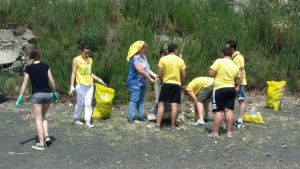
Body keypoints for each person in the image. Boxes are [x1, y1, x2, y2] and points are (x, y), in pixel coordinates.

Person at [16, 49, 58, 150]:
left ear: (31, 56)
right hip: (48, 94)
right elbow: (51, 80)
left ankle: (41, 144)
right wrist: (55, 92)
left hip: (37, 95)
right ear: (40, 56)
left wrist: (20, 96)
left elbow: (25, 83)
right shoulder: (45, 65)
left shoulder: (29, 68)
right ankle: (47, 137)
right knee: (43, 116)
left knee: (38, 119)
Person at [148, 43, 186, 131]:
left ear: (168, 50)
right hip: (176, 84)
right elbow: (184, 75)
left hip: (166, 83)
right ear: (176, 50)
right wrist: (181, 82)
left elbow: (159, 73)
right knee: (174, 105)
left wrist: (161, 80)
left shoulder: (163, 59)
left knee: (161, 104)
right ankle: (172, 126)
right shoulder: (180, 60)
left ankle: (157, 125)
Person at [68, 44, 106, 128]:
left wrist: (99, 80)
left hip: (90, 85)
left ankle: (88, 121)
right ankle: (76, 119)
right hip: (81, 84)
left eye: (89, 52)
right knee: (80, 103)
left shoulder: (90, 60)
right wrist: (71, 85)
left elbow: (90, 73)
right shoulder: (76, 59)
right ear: (81, 51)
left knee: (88, 103)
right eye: (86, 52)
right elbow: (73, 73)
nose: (87, 54)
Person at [207, 47, 240, 138]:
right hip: (231, 88)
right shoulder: (235, 65)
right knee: (229, 110)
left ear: (222, 54)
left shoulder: (219, 61)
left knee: (218, 111)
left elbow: (211, 73)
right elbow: (237, 80)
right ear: (231, 55)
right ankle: (229, 132)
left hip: (220, 88)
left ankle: (215, 132)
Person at [126, 40, 157, 124]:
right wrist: (149, 78)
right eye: (145, 48)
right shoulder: (134, 58)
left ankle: (140, 116)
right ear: (140, 49)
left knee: (141, 100)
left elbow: (147, 69)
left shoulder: (144, 57)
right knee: (134, 99)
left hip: (142, 82)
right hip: (135, 82)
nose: (146, 49)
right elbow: (140, 70)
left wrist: (155, 76)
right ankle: (131, 117)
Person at [226, 40, 247, 128]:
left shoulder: (239, 57)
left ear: (232, 48)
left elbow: (241, 71)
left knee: (241, 100)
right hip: (234, 82)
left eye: (227, 47)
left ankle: (240, 120)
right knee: (233, 100)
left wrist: (238, 85)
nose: (226, 49)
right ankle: (232, 118)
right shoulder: (232, 57)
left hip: (240, 82)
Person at [148, 48, 171, 121]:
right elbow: (159, 73)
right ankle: (154, 113)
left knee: (166, 100)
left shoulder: (169, 61)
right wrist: (157, 77)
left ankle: (164, 115)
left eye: (165, 54)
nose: (163, 55)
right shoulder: (162, 61)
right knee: (158, 100)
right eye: (163, 54)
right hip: (160, 81)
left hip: (167, 82)